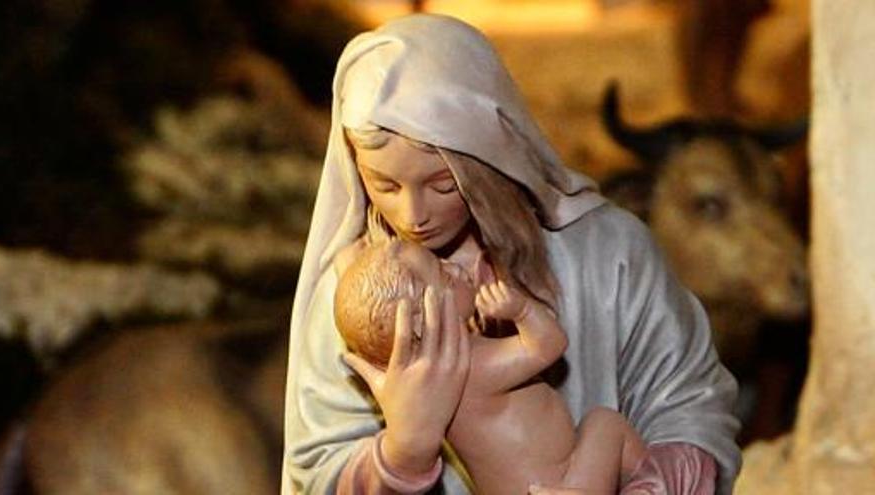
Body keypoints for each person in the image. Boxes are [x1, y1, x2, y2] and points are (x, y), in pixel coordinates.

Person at [282, 13, 740, 495]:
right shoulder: (355, 292)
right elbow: (318, 466)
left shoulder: (609, 255)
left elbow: (688, 405)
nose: (413, 214)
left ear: (489, 156)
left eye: (443, 183)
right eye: (385, 184)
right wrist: (404, 453)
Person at [334, 238, 649, 494]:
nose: (454, 269)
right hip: (559, 485)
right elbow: (549, 345)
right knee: (605, 423)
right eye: (443, 274)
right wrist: (522, 311)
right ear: (418, 321)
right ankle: (653, 482)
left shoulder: (433, 381)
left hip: (553, 476)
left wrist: (351, 268)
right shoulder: (470, 368)